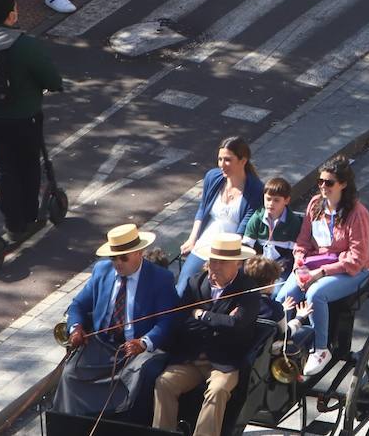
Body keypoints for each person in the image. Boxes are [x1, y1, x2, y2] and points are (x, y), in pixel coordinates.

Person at [0, 0, 63, 239]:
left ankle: (13, 222)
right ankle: (29, 217)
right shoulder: (25, 45)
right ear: (11, 15)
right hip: (24, 117)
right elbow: (51, 79)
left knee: (2, 168)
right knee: (28, 166)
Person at [54, 224, 178, 421]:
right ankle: (72, 426)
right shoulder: (102, 271)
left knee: (140, 377)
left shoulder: (161, 278)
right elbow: (78, 305)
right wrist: (76, 327)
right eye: (113, 258)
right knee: (70, 374)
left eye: (123, 258)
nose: (117, 263)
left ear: (139, 253)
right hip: (102, 344)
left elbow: (167, 321)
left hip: (137, 350)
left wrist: (144, 342)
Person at [274, 156, 369, 376]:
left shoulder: (358, 214)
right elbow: (302, 241)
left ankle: (320, 348)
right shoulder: (314, 205)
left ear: (343, 185)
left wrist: (321, 272)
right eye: (320, 182)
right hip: (313, 263)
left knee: (316, 294)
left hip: (349, 270)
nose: (322, 187)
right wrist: (299, 261)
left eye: (329, 183)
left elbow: (356, 259)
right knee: (285, 295)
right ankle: (284, 343)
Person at [152, 233, 259, 436]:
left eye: (221, 263)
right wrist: (220, 321)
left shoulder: (249, 290)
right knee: (164, 383)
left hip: (225, 363)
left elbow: (237, 324)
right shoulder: (195, 283)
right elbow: (181, 320)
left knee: (217, 391)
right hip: (192, 358)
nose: (215, 267)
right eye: (212, 261)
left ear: (237, 263)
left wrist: (200, 314)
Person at [177, 137, 265, 296]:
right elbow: (202, 209)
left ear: (243, 160)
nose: (222, 165)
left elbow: (245, 227)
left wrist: (220, 259)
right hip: (206, 241)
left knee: (216, 291)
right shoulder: (212, 177)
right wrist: (192, 239)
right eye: (220, 159)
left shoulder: (256, 189)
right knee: (183, 287)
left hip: (231, 247)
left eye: (228, 160)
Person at [241, 176, 302, 277]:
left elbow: (292, 254)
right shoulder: (257, 218)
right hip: (258, 264)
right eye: (268, 199)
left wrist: (277, 267)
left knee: (276, 291)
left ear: (286, 200)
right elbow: (247, 247)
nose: (271, 203)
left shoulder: (293, 222)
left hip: (281, 268)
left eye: (276, 200)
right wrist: (254, 264)